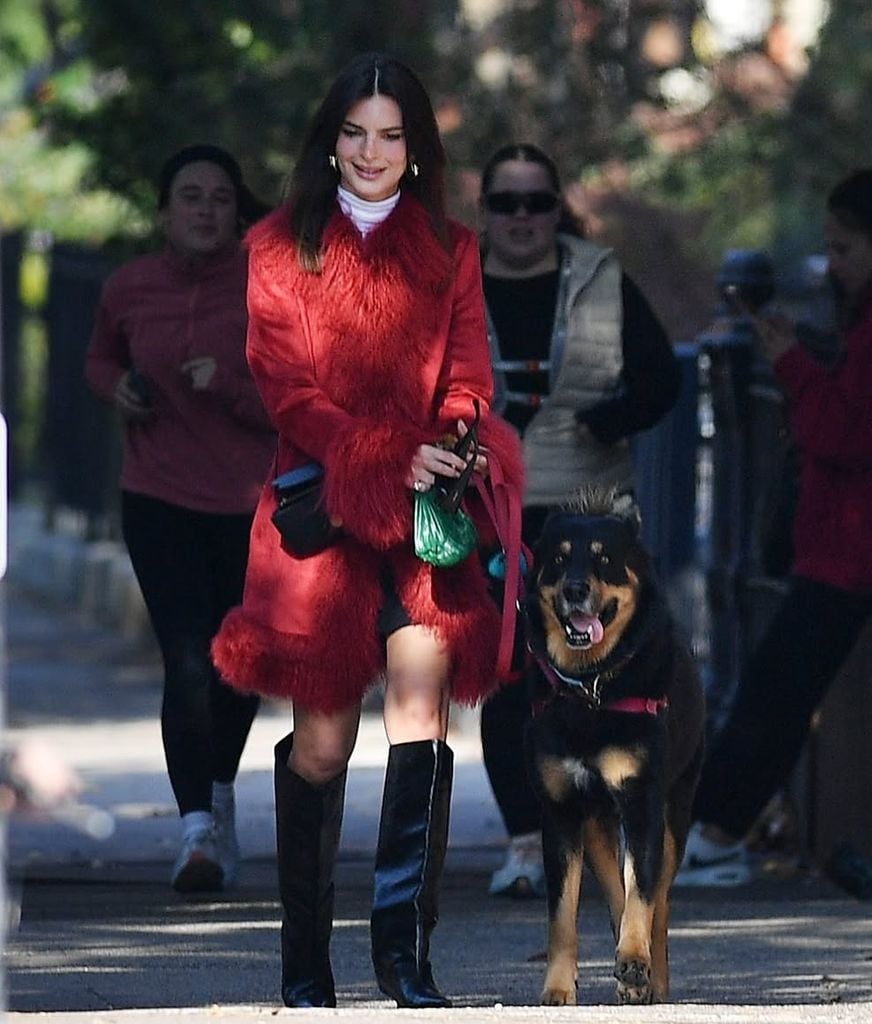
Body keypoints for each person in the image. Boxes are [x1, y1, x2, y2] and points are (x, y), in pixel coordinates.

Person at [210, 53, 523, 1009]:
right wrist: (387, 455)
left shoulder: (454, 248)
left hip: (426, 522)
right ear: (329, 140)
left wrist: (458, 435)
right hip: (323, 519)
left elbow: (470, 374)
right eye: (355, 132)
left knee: (421, 717)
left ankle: (404, 959)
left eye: (391, 134)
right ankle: (305, 964)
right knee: (320, 746)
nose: (372, 151)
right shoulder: (274, 246)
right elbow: (287, 393)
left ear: (416, 149)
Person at [678, 165, 872, 886]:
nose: (833, 264)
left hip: (852, 539)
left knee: (778, 687)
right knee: (778, 684)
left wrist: (791, 362)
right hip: (841, 534)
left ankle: (715, 831)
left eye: (843, 248)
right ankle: (713, 827)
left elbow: (852, 433)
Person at [477, 143, 681, 897]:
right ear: (486, 213)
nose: (523, 218)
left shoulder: (601, 277)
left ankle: (603, 831)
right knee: (504, 676)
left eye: (538, 202)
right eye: (507, 203)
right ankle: (525, 844)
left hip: (588, 512)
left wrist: (609, 418)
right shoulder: (453, 286)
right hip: (491, 508)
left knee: (594, 673)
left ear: (558, 208)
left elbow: (663, 379)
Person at [85, 144, 275, 893]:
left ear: (237, 211)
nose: (205, 209)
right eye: (190, 196)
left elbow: (298, 399)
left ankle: (218, 793)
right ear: (164, 212)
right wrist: (116, 389)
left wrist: (230, 384)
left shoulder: (267, 288)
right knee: (189, 658)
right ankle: (197, 826)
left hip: (249, 504)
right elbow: (99, 359)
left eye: (220, 198)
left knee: (241, 664)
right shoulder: (129, 286)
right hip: (157, 497)